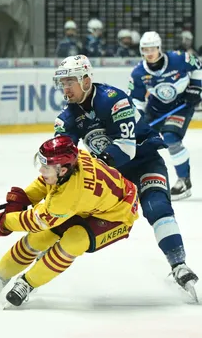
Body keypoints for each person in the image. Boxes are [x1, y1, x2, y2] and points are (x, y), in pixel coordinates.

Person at [47, 55, 198, 299]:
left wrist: (94, 166)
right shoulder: (65, 118)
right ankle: (33, 260)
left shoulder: (113, 99)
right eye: (62, 83)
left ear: (86, 80)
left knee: (156, 206)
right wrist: (52, 178)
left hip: (143, 161)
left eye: (70, 81)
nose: (65, 88)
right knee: (73, 210)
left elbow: (126, 148)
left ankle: (178, 264)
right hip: (112, 174)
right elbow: (63, 159)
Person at [0, 135, 139, 307]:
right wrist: (26, 197)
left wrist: (2, 222)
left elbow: (36, 221)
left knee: (74, 241)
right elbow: (46, 184)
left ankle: (28, 283)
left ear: (63, 170)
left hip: (119, 214)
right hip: (88, 204)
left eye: (46, 167)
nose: (41, 171)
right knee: (39, 238)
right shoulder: (72, 162)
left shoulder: (69, 196)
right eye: (42, 165)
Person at [128, 31, 202, 200]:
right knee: (140, 141)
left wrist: (196, 88)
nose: (149, 53)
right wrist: (137, 116)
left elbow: (197, 66)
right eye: (145, 50)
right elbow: (136, 99)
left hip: (181, 105)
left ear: (159, 48)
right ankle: (138, 181)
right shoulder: (138, 72)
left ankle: (184, 181)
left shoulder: (179, 58)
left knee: (170, 138)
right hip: (155, 108)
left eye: (152, 48)